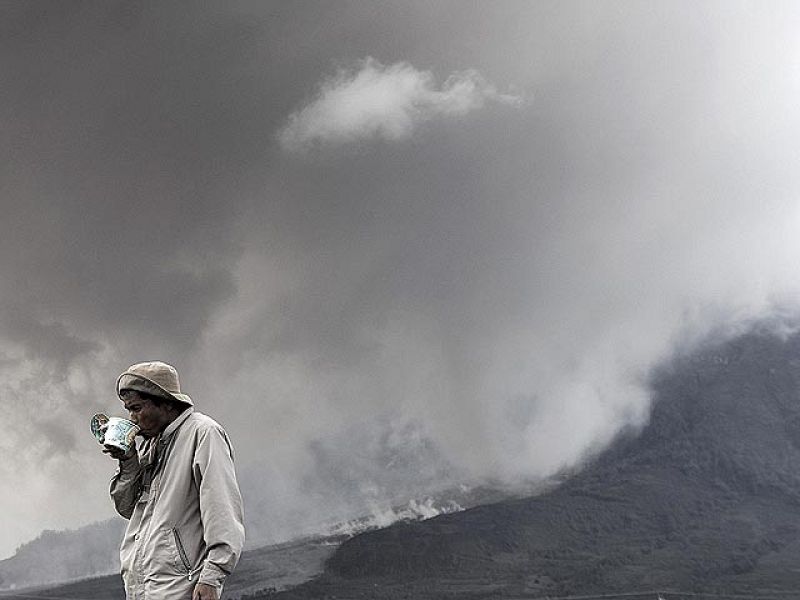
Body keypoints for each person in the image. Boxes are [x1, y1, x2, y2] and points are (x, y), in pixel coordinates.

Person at [103, 361, 245, 600]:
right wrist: (128, 461)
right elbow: (127, 508)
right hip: (144, 589)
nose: (132, 418)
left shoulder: (203, 433)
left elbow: (222, 508)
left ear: (167, 403)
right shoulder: (151, 444)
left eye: (137, 408)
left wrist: (212, 575)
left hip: (181, 588)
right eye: (128, 410)